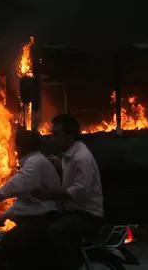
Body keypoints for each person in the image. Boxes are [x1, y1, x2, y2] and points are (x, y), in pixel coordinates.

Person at [0, 129, 62, 270]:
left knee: (11, 242)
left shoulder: (35, 162)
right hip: (39, 215)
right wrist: (3, 216)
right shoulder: (33, 161)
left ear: (21, 146)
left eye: (16, 144)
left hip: (46, 216)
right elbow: (25, 200)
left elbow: (20, 183)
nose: (14, 148)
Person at [39, 114, 104, 270]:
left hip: (86, 215)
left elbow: (81, 189)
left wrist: (51, 193)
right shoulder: (69, 153)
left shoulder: (82, 157)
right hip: (72, 211)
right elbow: (70, 172)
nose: (52, 138)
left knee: (55, 232)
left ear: (70, 135)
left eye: (56, 134)